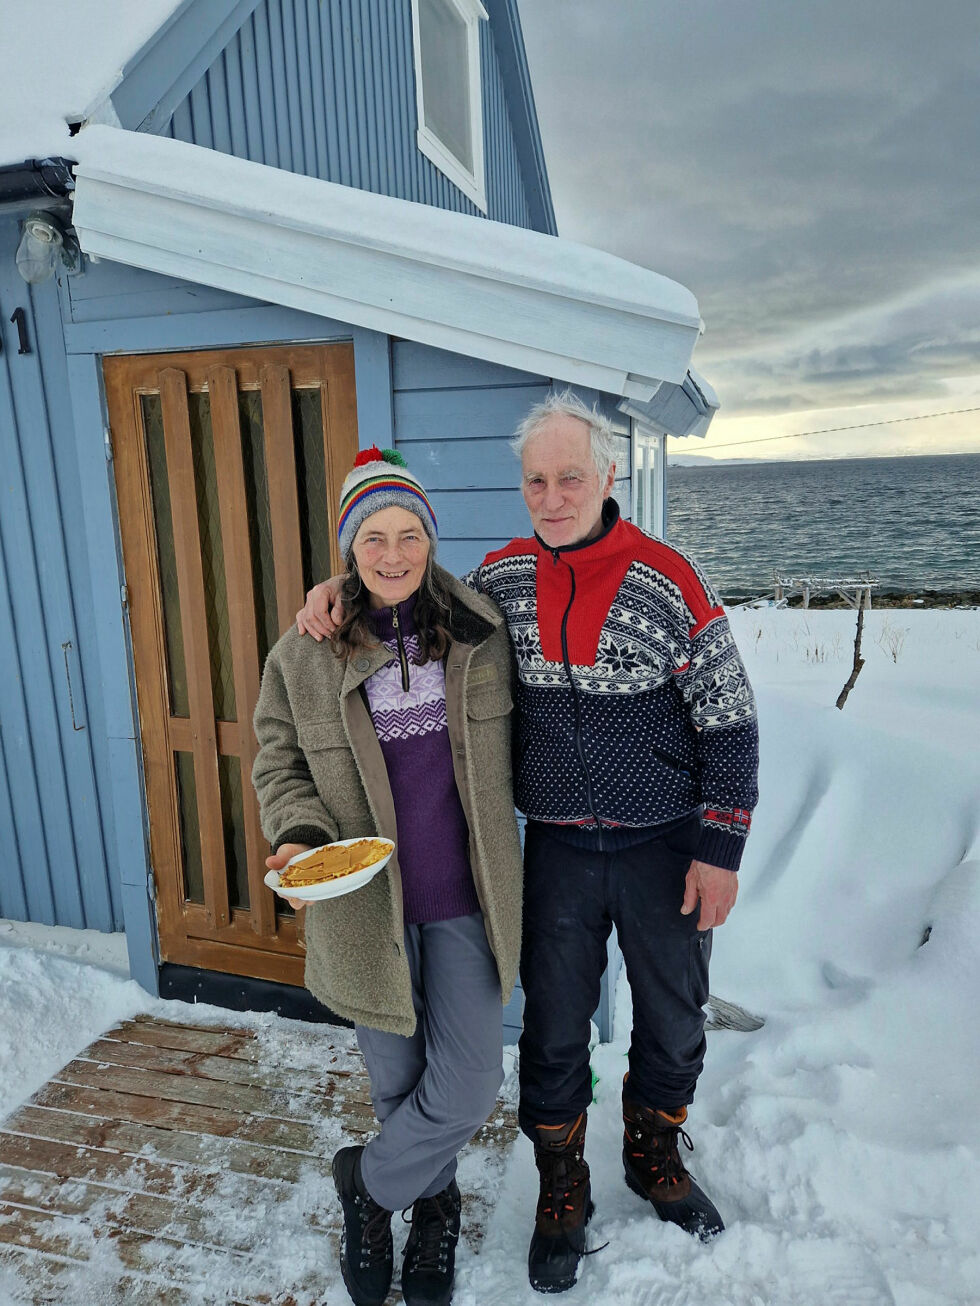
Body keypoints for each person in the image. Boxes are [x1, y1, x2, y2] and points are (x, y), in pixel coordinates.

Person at [296, 394, 759, 1294]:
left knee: (672, 1015)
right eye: (536, 481)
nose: (552, 497)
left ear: (608, 478)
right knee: (552, 1026)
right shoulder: (499, 583)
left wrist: (721, 848)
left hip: (664, 845)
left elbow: (731, 723)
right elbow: (407, 597)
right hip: (554, 849)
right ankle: (561, 1184)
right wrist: (335, 593)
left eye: (570, 477)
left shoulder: (668, 579)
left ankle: (654, 1154)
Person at [253, 447, 523, 1306]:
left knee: (472, 1081)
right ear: (349, 549)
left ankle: (367, 1186)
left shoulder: (483, 631)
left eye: (410, 534)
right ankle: (432, 1207)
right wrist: (298, 836)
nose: (395, 554)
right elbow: (277, 761)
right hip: (366, 905)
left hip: (468, 902)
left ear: (430, 538)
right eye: (375, 537)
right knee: (398, 1082)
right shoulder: (305, 654)